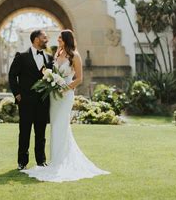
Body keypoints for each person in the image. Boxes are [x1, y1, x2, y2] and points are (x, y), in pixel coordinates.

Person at [21, 29, 110, 182]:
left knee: (62, 125)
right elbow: (52, 72)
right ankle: (55, 160)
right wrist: (50, 79)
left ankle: (61, 161)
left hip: (65, 94)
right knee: (55, 126)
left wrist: (65, 88)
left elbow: (79, 78)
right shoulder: (57, 54)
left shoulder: (75, 56)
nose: (58, 40)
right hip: (54, 96)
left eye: (60, 38)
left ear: (67, 39)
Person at [8, 30, 53, 170]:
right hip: (26, 101)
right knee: (25, 132)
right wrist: (17, 94)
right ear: (36, 39)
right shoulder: (21, 56)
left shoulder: (49, 58)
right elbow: (12, 75)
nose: (46, 39)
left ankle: (41, 160)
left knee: (41, 133)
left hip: (43, 101)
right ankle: (22, 161)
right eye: (44, 37)